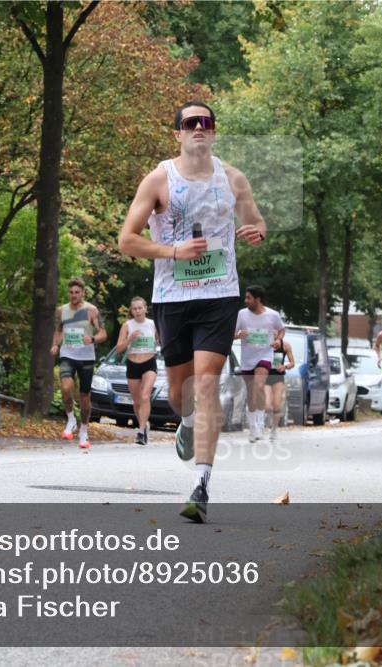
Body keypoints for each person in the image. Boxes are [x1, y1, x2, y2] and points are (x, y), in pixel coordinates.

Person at [118, 101, 267, 523]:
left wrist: (257, 231)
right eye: (190, 123)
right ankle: (185, 424)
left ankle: (201, 485)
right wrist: (173, 250)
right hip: (172, 298)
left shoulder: (233, 178)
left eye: (206, 122)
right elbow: (127, 240)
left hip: (220, 296)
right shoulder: (159, 179)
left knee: (207, 388)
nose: (199, 128)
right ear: (178, 134)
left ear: (213, 132)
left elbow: (256, 221)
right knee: (184, 396)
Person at [50, 277, 107, 450]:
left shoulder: (91, 310)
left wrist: (93, 339)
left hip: (86, 357)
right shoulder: (61, 311)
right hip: (68, 354)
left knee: (84, 398)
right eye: (71, 292)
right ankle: (70, 419)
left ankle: (84, 430)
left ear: (82, 293)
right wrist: (55, 344)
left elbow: (103, 333)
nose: (74, 295)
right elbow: (58, 331)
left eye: (77, 292)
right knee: (66, 387)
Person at [234, 285, 285, 443]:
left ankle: (260, 423)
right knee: (251, 393)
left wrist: (278, 340)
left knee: (259, 385)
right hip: (247, 358)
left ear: (258, 299)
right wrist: (239, 335)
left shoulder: (272, 315)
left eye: (249, 297)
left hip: (265, 355)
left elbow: (281, 329)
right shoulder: (241, 314)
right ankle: (253, 428)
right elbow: (232, 334)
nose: (246, 300)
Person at [115, 296, 159, 446]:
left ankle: (140, 432)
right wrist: (130, 339)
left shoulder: (153, 324)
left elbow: (162, 341)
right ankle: (144, 425)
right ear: (131, 311)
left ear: (145, 309)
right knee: (137, 400)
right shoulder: (127, 325)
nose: (137, 311)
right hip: (133, 363)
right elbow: (119, 349)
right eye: (134, 308)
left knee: (145, 396)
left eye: (140, 308)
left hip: (149, 363)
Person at [264, 338, 295, 442]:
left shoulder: (285, 346)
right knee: (267, 405)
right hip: (266, 377)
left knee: (277, 405)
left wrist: (284, 366)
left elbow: (292, 363)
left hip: (278, 377)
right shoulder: (265, 343)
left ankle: (273, 430)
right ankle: (267, 419)